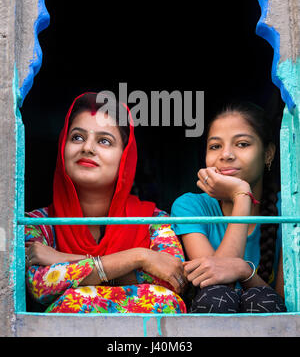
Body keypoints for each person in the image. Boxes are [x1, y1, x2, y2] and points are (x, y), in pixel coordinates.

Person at [25, 92, 187, 314]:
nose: (87, 148)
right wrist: (139, 257)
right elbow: (41, 285)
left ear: (125, 157)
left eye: (104, 141)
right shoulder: (37, 223)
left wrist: (63, 261)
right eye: (77, 137)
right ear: (63, 147)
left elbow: (172, 278)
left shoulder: (154, 220)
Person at [171, 100, 286, 313]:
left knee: (262, 299)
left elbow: (285, 308)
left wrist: (244, 271)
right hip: (211, 318)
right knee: (217, 296)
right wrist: (241, 196)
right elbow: (216, 287)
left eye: (242, 144)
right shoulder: (189, 207)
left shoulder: (289, 208)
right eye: (215, 146)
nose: (226, 155)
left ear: (268, 153)